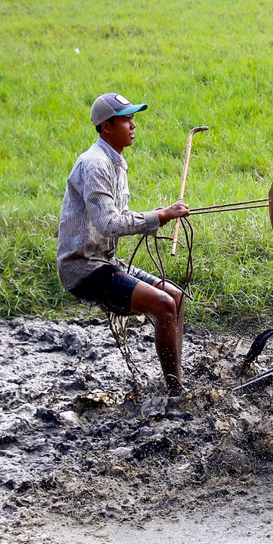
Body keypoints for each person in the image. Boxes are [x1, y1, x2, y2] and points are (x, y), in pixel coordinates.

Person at [57, 94, 190, 397]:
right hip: (84, 266)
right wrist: (159, 216)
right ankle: (175, 392)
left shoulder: (115, 162)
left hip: (105, 260)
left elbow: (116, 218)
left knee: (176, 298)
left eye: (132, 119)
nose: (133, 126)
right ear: (106, 127)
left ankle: (175, 377)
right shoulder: (96, 164)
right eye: (126, 119)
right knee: (164, 305)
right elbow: (108, 224)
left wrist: (159, 216)